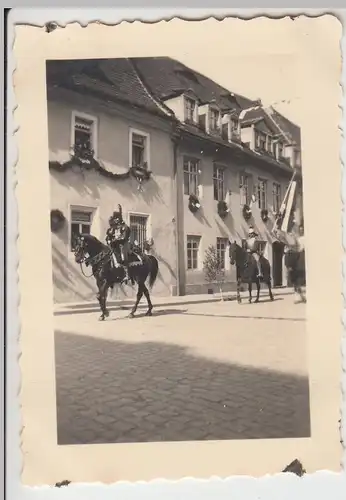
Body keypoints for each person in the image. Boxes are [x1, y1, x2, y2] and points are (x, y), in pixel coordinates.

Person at [105, 205, 131, 283]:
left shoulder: (124, 227)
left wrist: (115, 240)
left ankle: (127, 274)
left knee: (123, 256)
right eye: (114, 218)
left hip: (122, 245)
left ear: (119, 218)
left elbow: (124, 237)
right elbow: (108, 236)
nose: (115, 220)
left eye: (116, 218)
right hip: (113, 245)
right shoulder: (112, 228)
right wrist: (109, 240)